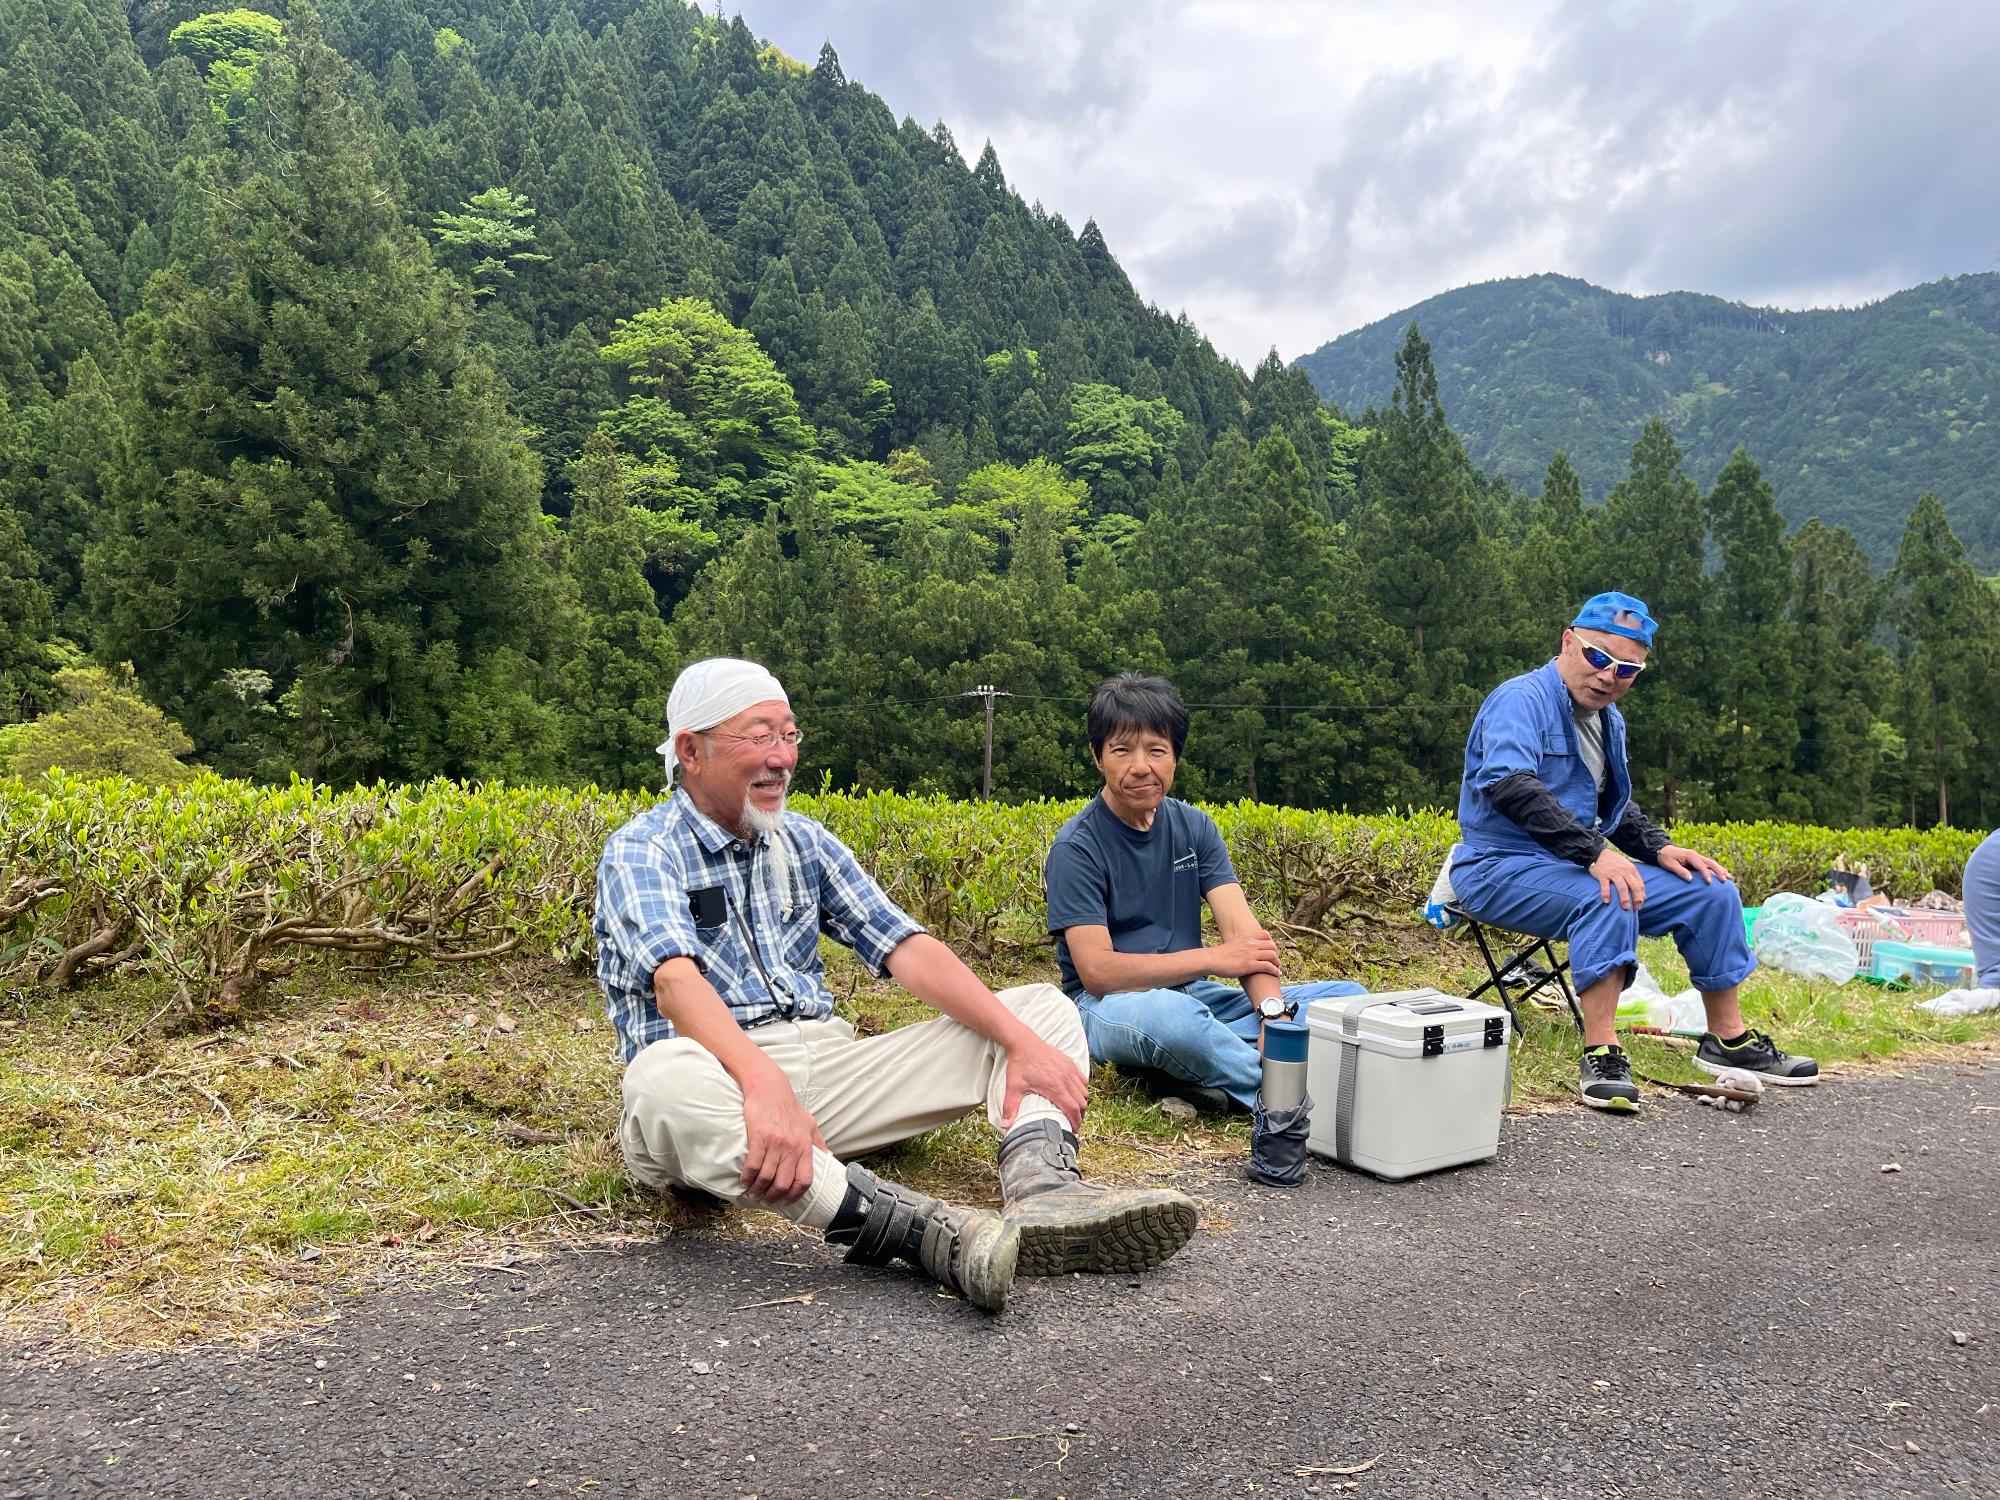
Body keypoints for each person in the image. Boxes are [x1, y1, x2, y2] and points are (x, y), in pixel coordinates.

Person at [594, 658, 1198, 1315]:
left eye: (790, 736)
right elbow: (675, 985)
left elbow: (906, 948)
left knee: (1042, 1012)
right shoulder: (643, 849)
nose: (781, 758)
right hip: (718, 1083)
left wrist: (1019, 1042)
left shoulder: (804, 842)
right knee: (660, 1082)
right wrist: (762, 1082)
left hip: (826, 1075)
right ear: (691, 750)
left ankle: (1047, 1196)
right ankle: (931, 1236)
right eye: (760, 736)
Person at [1448, 592, 1818, 1111]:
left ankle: (1727, 1043)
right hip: (1497, 867)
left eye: (1627, 670)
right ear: (1568, 642)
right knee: (1610, 890)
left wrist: (1660, 848)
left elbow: (1610, 806)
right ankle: (1601, 1052)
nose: (1608, 676)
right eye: (1599, 657)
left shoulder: (1607, 719)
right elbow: (1510, 785)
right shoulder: (1521, 699)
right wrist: (1595, 853)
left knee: (1710, 888)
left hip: (1568, 865)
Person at [1043, 672, 1366, 1115]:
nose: (1141, 766)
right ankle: (1294, 1105)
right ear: (1098, 757)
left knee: (1348, 999)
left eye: (1157, 750)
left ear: (1175, 755)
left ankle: (1203, 1072)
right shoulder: (1077, 846)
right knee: (1174, 1023)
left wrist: (1273, 1014)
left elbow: (1245, 938)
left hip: (1195, 995)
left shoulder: (1195, 828)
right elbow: (1098, 972)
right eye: (1122, 750)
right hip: (1107, 1007)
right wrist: (1214, 959)